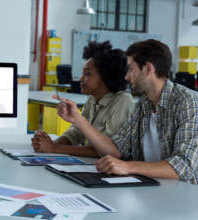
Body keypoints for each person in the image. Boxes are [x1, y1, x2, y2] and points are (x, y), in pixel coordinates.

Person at [57, 39, 198, 184]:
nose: (126, 77)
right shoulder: (144, 105)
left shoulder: (188, 102)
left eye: (131, 69)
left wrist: (128, 166)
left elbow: (184, 165)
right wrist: (78, 120)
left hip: (184, 195)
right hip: (150, 187)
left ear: (148, 69)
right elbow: (116, 149)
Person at [31, 41, 134, 157]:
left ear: (106, 77)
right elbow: (76, 132)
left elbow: (108, 150)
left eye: (87, 74)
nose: (81, 78)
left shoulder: (123, 101)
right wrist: (49, 144)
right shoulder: (93, 99)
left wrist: (55, 148)